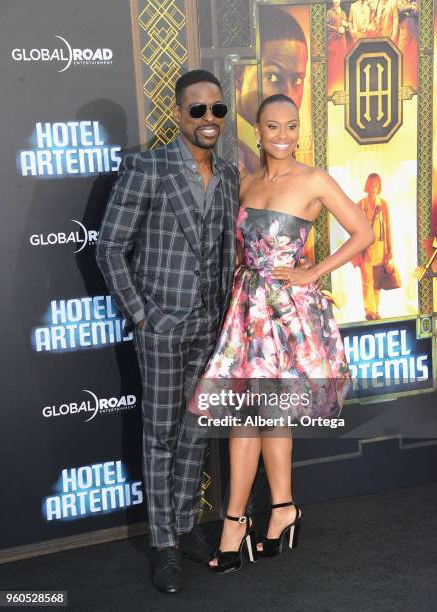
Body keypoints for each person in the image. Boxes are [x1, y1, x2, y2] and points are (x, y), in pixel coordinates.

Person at [188, 94, 374, 573]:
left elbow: (363, 232)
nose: (284, 136)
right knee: (252, 414)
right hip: (247, 311)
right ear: (257, 130)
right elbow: (237, 250)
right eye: (273, 127)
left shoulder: (313, 179)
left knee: (263, 414)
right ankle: (279, 510)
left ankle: (239, 522)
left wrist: (314, 273)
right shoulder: (245, 182)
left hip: (287, 313)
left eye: (291, 126)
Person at [96, 70, 240, 593]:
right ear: (179, 114)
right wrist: (140, 314)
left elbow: (225, 251)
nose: (209, 119)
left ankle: (184, 526)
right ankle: (163, 546)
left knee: (196, 434)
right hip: (159, 325)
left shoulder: (228, 175)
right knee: (160, 437)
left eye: (217, 110)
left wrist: (226, 317)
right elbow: (109, 247)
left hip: (209, 324)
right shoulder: (148, 168)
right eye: (198, 110)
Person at [236, 5, 308, 175]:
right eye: (274, 78)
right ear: (240, 76)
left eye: (297, 80)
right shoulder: (230, 155)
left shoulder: (311, 178)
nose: (288, 95)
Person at [352, 173, 394, 320]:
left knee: (376, 282)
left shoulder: (383, 204)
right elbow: (354, 229)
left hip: (379, 248)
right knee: (366, 280)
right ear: (367, 186)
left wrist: (390, 250)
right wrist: (354, 252)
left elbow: (388, 227)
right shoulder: (360, 204)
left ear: (379, 187)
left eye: (376, 185)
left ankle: (375, 310)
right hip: (364, 248)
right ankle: (369, 311)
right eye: (371, 185)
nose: (373, 188)